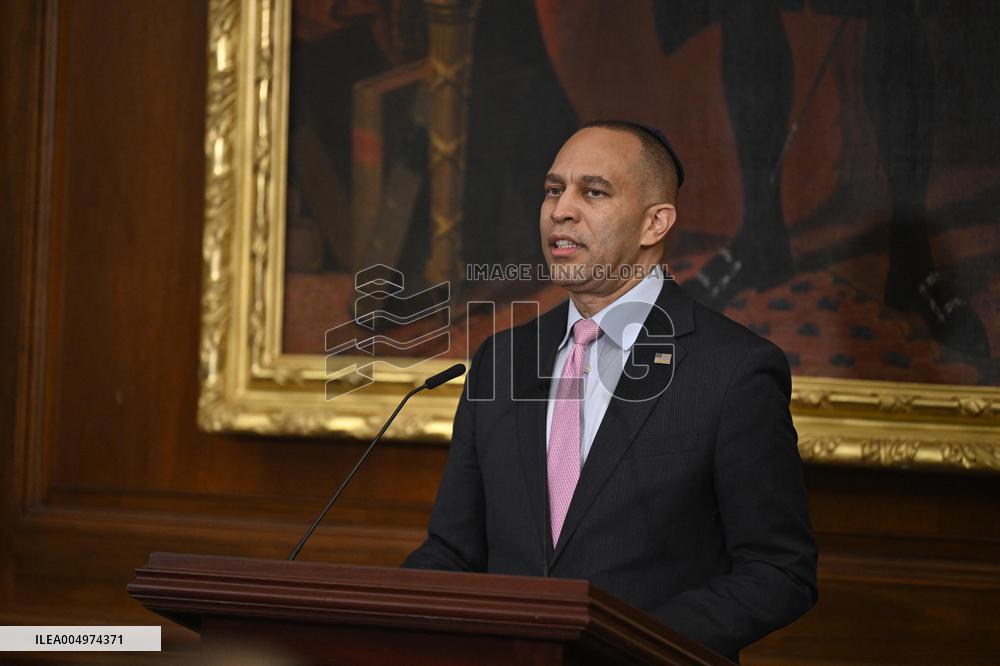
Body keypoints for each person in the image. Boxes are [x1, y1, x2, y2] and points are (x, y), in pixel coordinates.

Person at [403, 121, 818, 661]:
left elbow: (779, 571)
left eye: (592, 192)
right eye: (554, 190)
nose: (561, 210)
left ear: (655, 223)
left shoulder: (732, 370)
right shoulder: (501, 360)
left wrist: (631, 647)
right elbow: (453, 551)